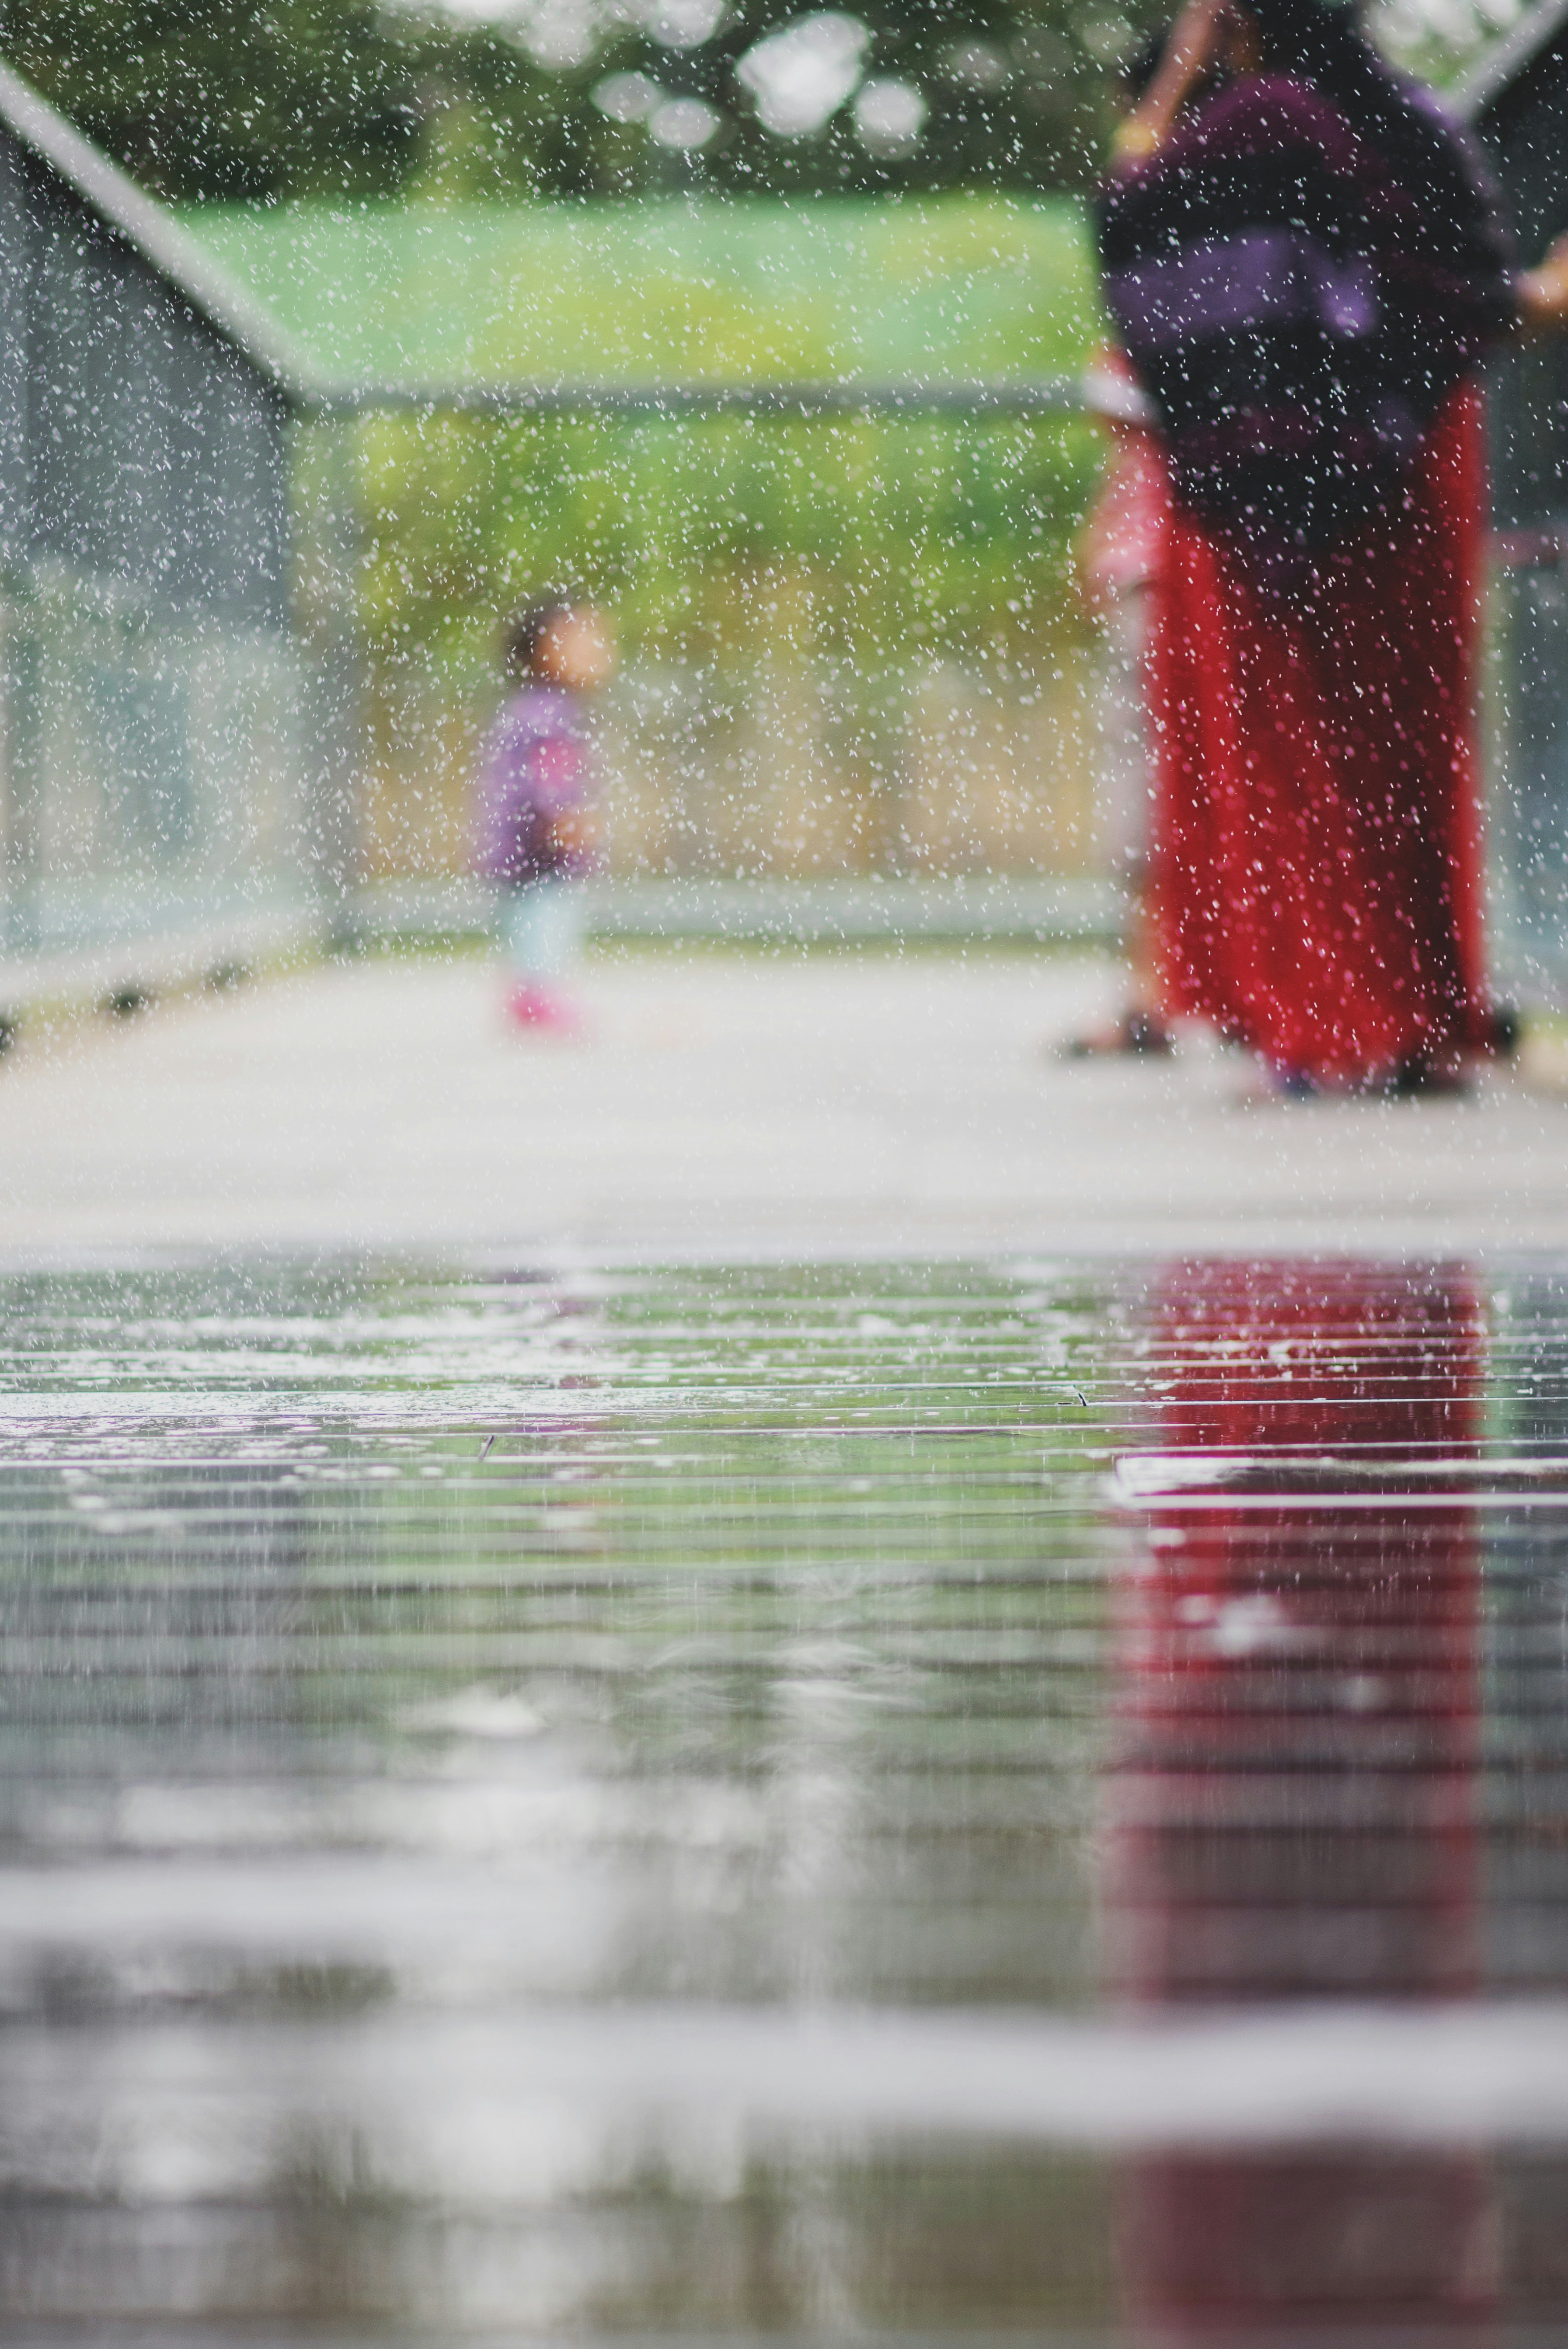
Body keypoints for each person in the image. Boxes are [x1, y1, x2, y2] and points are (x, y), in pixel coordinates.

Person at [1098, 0, 1568, 1094]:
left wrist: (1176, 75)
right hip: (1413, 468)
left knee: (1294, 752)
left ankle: (1325, 1023)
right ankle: (1412, 1018)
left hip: (1275, 492)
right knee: (1403, 749)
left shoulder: (1253, 126)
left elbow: (1131, 225)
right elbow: (1470, 292)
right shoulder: (1406, 117)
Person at [472, 599, 616, 1034]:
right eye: (586, 640)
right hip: (538, 847)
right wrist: (565, 817)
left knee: (531, 908)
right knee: (546, 906)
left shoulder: (532, 707)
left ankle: (533, 985)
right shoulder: (549, 711)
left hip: (518, 846)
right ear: (545, 651)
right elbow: (547, 775)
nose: (601, 650)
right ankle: (538, 990)